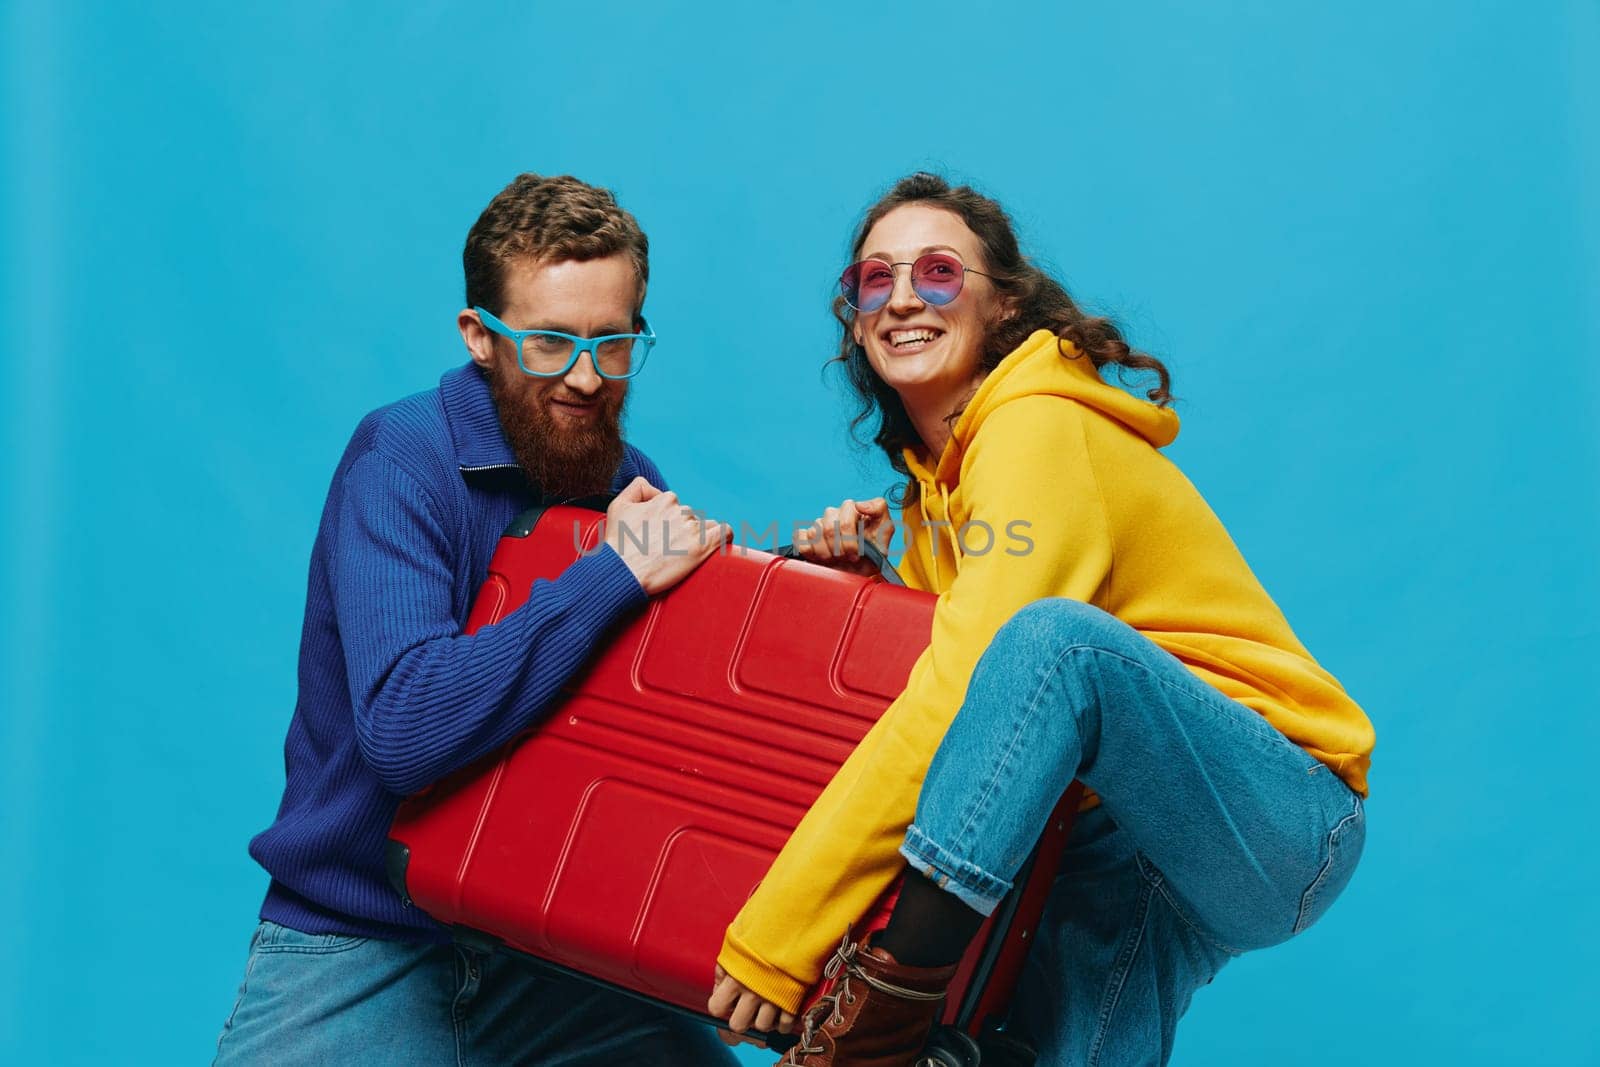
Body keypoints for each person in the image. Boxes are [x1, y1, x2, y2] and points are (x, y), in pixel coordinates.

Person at [708, 173, 1375, 1067]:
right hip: (1117, 853)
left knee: (1054, 645)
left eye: (938, 272)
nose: (902, 296)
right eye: (875, 279)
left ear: (1003, 305)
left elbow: (984, 676)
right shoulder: (938, 491)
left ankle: (889, 1006)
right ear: (855, 318)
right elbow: (987, 723)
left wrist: (782, 932)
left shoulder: (1036, 428)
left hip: (1270, 810)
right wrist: (876, 592)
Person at [214, 173, 738, 1065]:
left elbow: (678, 734)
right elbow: (406, 730)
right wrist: (610, 573)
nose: (584, 377)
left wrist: (797, 579)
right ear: (479, 337)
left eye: (613, 345)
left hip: (552, 959)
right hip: (364, 943)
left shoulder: (626, 480)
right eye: (549, 343)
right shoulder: (401, 460)